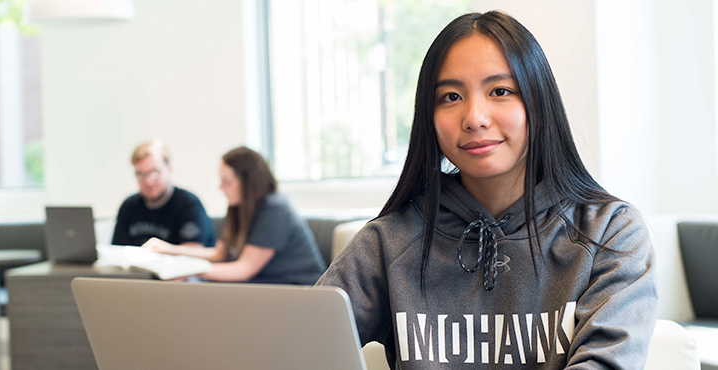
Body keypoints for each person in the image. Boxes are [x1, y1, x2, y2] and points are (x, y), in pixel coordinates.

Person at [317, 11, 657, 369]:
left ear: (538, 104)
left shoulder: (610, 233)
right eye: (450, 96)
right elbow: (297, 347)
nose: (474, 117)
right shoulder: (388, 242)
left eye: (500, 91)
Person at [143, 146, 326, 285]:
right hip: (261, 287)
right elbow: (219, 254)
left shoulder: (275, 208)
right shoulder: (238, 207)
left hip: (298, 291)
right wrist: (168, 249)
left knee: (194, 283)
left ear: (249, 183)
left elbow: (244, 269)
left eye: (227, 181)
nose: (220, 187)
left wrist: (190, 269)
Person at [112, 139, 216, 247]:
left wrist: (161, 249)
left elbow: (196, 251)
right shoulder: (129, 206)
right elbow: (118, 249)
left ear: (169, 169)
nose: (148, 181)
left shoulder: (188, 204)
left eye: (154, 172)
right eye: (141, 174)